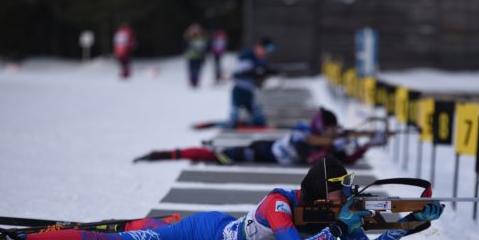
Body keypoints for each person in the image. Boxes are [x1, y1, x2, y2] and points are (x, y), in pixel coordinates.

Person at [0, 157, 443, 240]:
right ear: (320, 191)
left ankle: (52, 231)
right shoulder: (281, 205)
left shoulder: (324, 215)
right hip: (203, 234)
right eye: (340, 193)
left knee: (129, 226)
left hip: (215, 224)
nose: (346, 201)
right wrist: (337, 225)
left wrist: (406, 227)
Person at [133, 107, 387, 165]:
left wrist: (367, 145)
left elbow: (346, 160)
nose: (334, 132)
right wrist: (337, 141)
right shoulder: (305, 132)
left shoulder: (325, 139)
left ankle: (174, 153)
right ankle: (167, 154)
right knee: (216, 156)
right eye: (331, 128)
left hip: (266, 152)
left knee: (217, 156)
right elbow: (311, 144)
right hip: (261, 150)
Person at [228, 37, 277, 127]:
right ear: (259, 47)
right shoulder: (247, 57)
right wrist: (255, 73)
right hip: (239, 91)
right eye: (264, 50)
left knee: (260, 120)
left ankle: (247, 122)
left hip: (249, 93)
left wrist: (266, 74)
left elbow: (260, 79)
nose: (265, 53)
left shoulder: (261, 60)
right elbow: (237, 74)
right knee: (233, 121)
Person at [184, 23, 209, 87]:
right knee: (192, 69)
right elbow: (185, 45)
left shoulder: (202, 37)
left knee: (198, 69)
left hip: (199, 56)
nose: (196, 31)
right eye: (194, 30)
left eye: (197, 30)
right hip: (191, 56)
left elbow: (204, 47)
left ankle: (196, 81)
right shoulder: (188, 37)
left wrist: (203, 54)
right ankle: (192, 81)